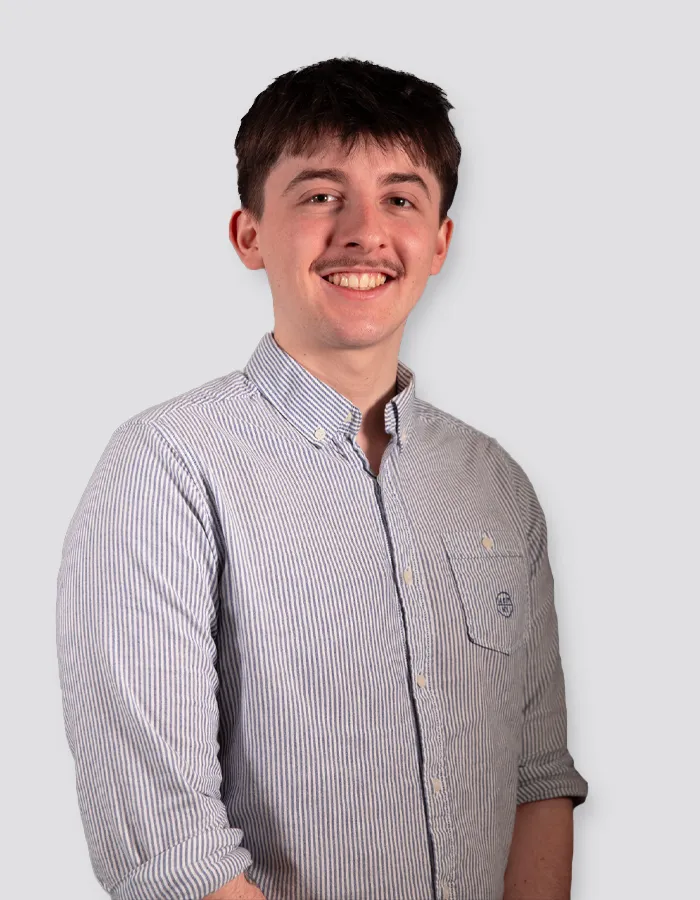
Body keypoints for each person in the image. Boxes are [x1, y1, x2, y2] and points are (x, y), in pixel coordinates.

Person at [56, 57, 588, 900]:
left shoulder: (496, 487)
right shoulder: (166, 470)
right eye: (319, 195)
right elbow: (168, 844)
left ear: (440, 242)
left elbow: (535, 774)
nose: (364, 232)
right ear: (250, 235)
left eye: (401, 200)